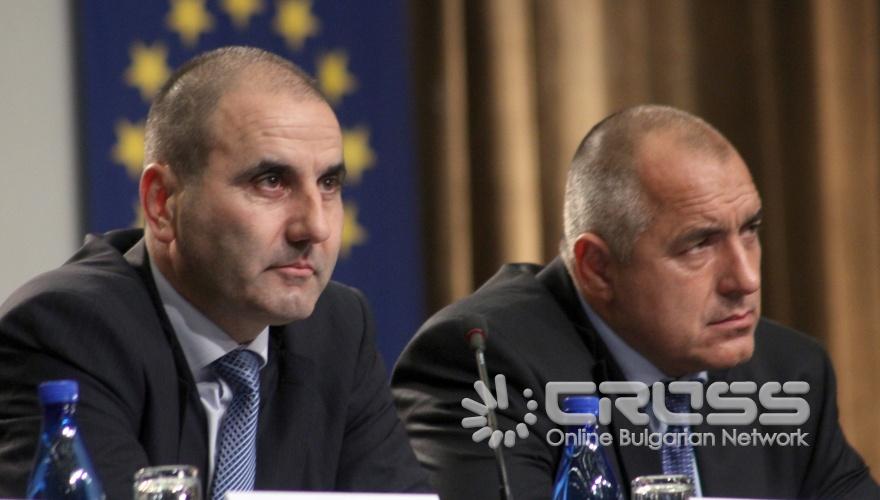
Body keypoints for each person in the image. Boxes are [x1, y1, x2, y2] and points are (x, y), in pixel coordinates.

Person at [0, 46, 429, 499]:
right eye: (271, 182)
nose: (315, 227)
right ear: (162, 203)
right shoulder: (68, 332)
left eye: (328, 184)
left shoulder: (337, 328)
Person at [391, 105, 880, 499]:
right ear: (598, 268)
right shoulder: (485, 366)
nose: (746, 279)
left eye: (750, 230)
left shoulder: (790, 373)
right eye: (699, 245)